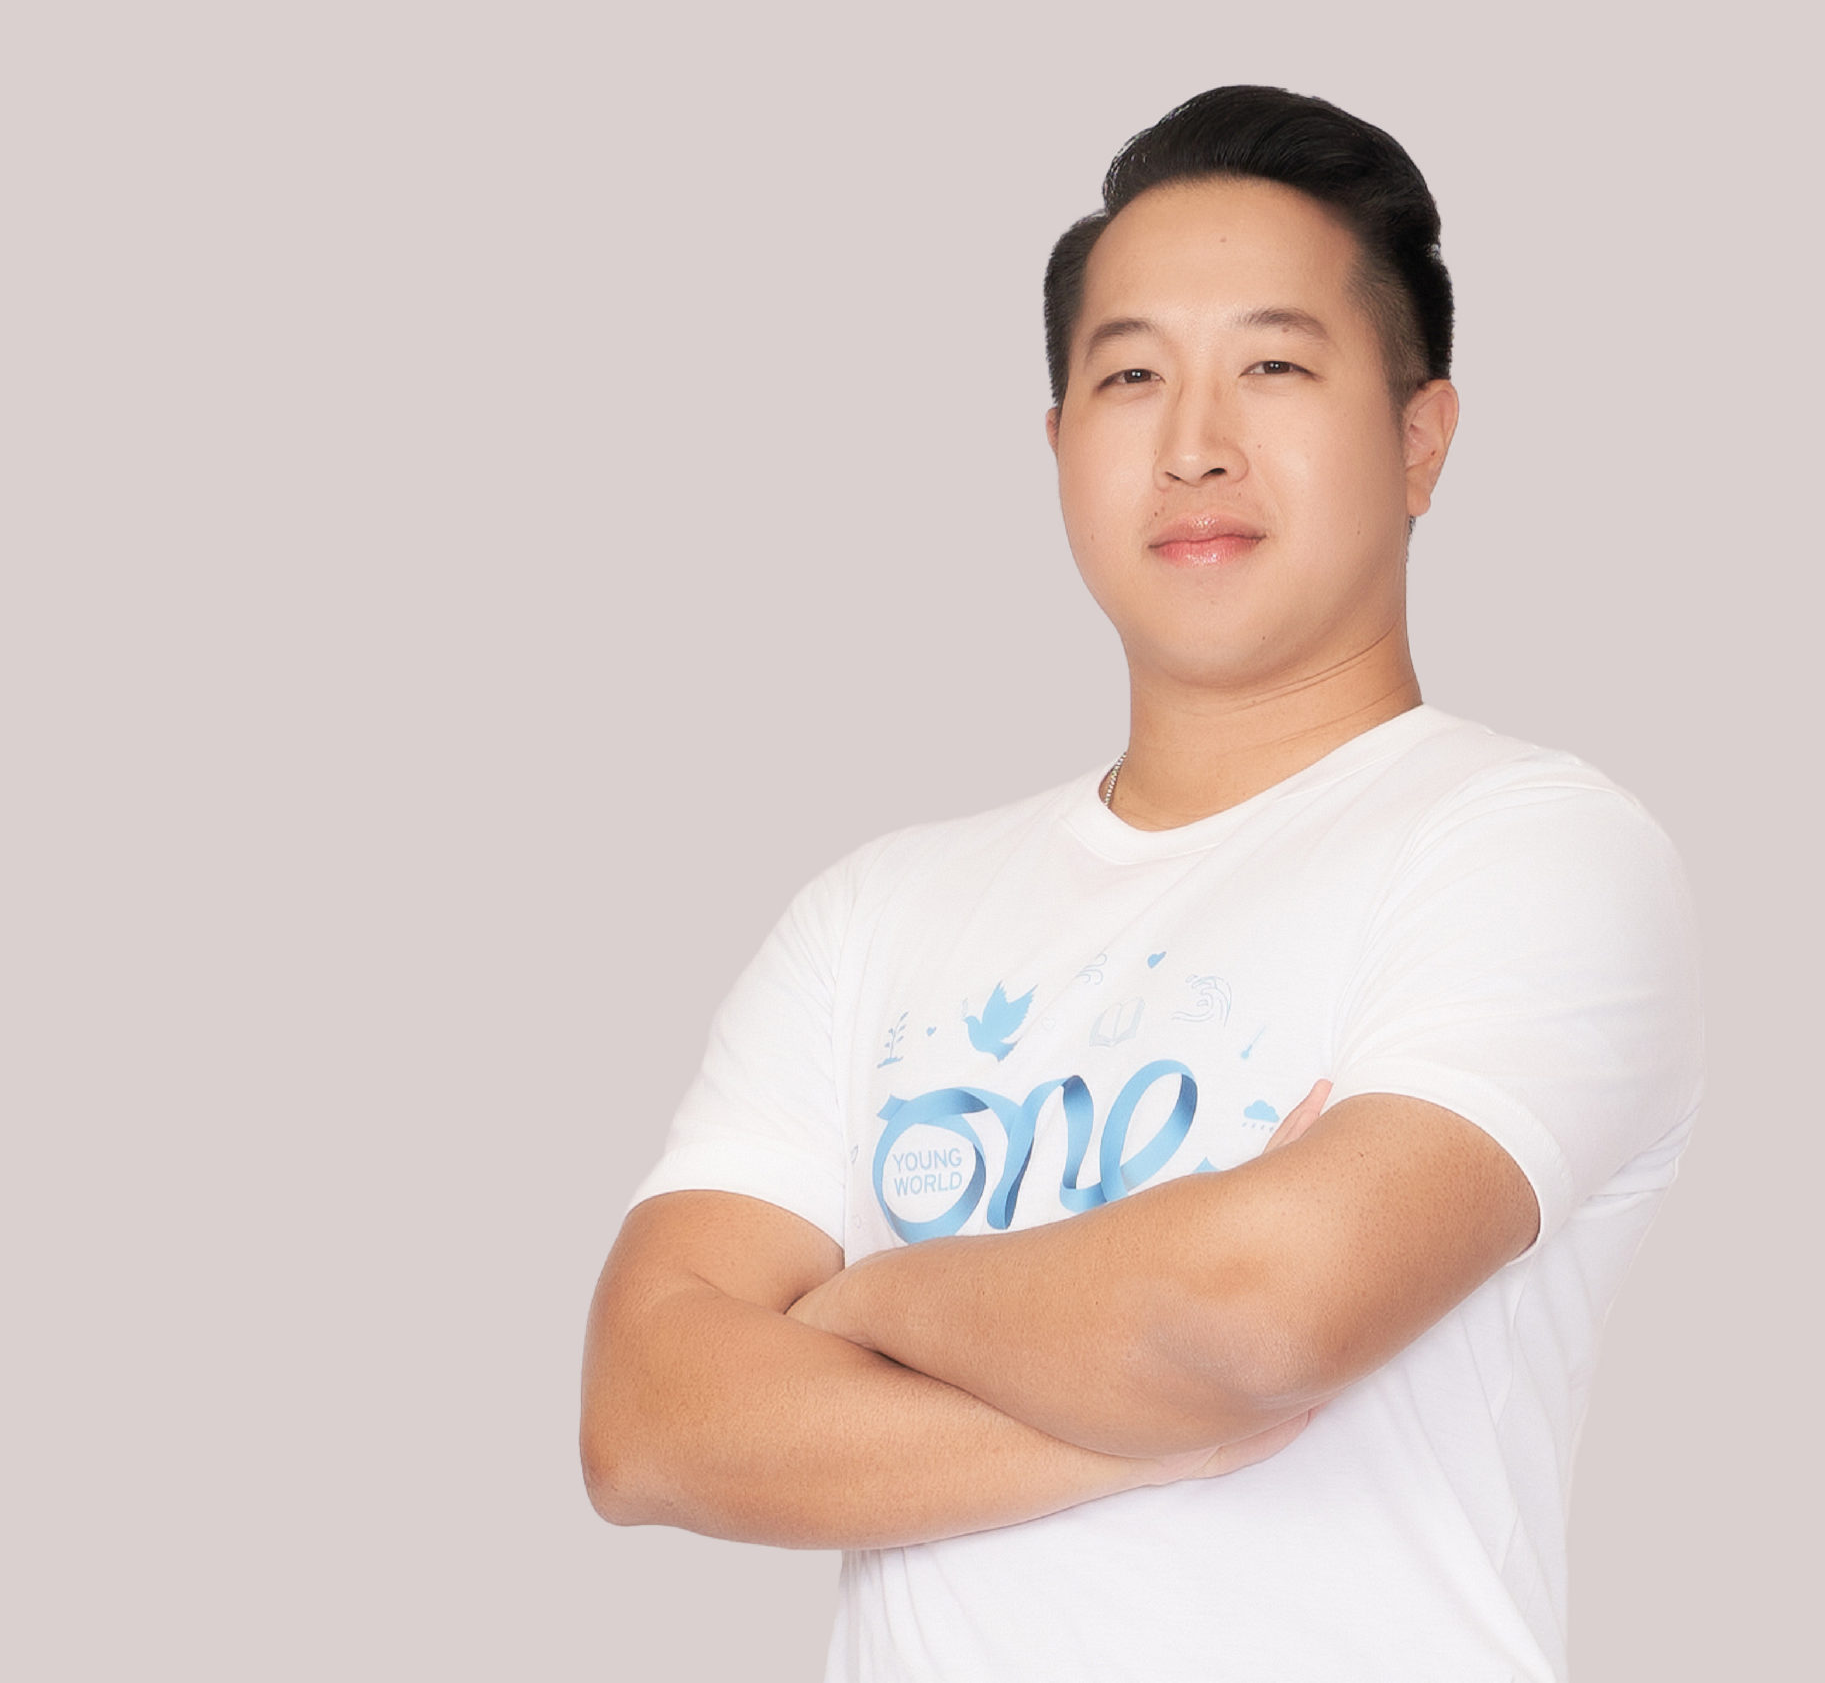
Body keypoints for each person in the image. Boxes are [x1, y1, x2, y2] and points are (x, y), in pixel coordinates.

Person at [580, 84, 1705, 1682]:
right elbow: (645, 1419)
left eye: (1274, 366)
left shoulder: (1531, 847)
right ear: (1058, 449)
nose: (1194, 445)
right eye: (1129, 376)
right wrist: (1156, 1417)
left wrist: (864, 1298)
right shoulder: (875, 914)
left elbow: (1265, 1311)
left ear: (1421, 438)